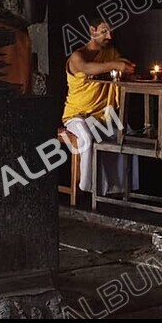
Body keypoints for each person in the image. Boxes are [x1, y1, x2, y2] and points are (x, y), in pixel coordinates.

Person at [63, 18, 139, 196]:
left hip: (103, 116)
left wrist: (124, 70)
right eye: (104, 31)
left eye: (111, 32)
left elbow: (118, 72)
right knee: (87, 138)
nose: (109, 36)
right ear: (92, 30)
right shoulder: (77, 56)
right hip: (77, 116)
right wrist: (115, 65)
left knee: (127, 134)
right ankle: (86, 187)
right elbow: (87, 68)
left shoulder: (111, 54)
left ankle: (122, 187)